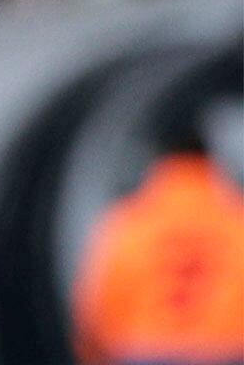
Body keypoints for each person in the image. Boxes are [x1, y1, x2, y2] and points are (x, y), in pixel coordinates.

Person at [72, 127, 244, 365]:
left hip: (143, 354)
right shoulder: (237, 219)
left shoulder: (128, 220)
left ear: (159, 161)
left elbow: (95, 310)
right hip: (227, 354)